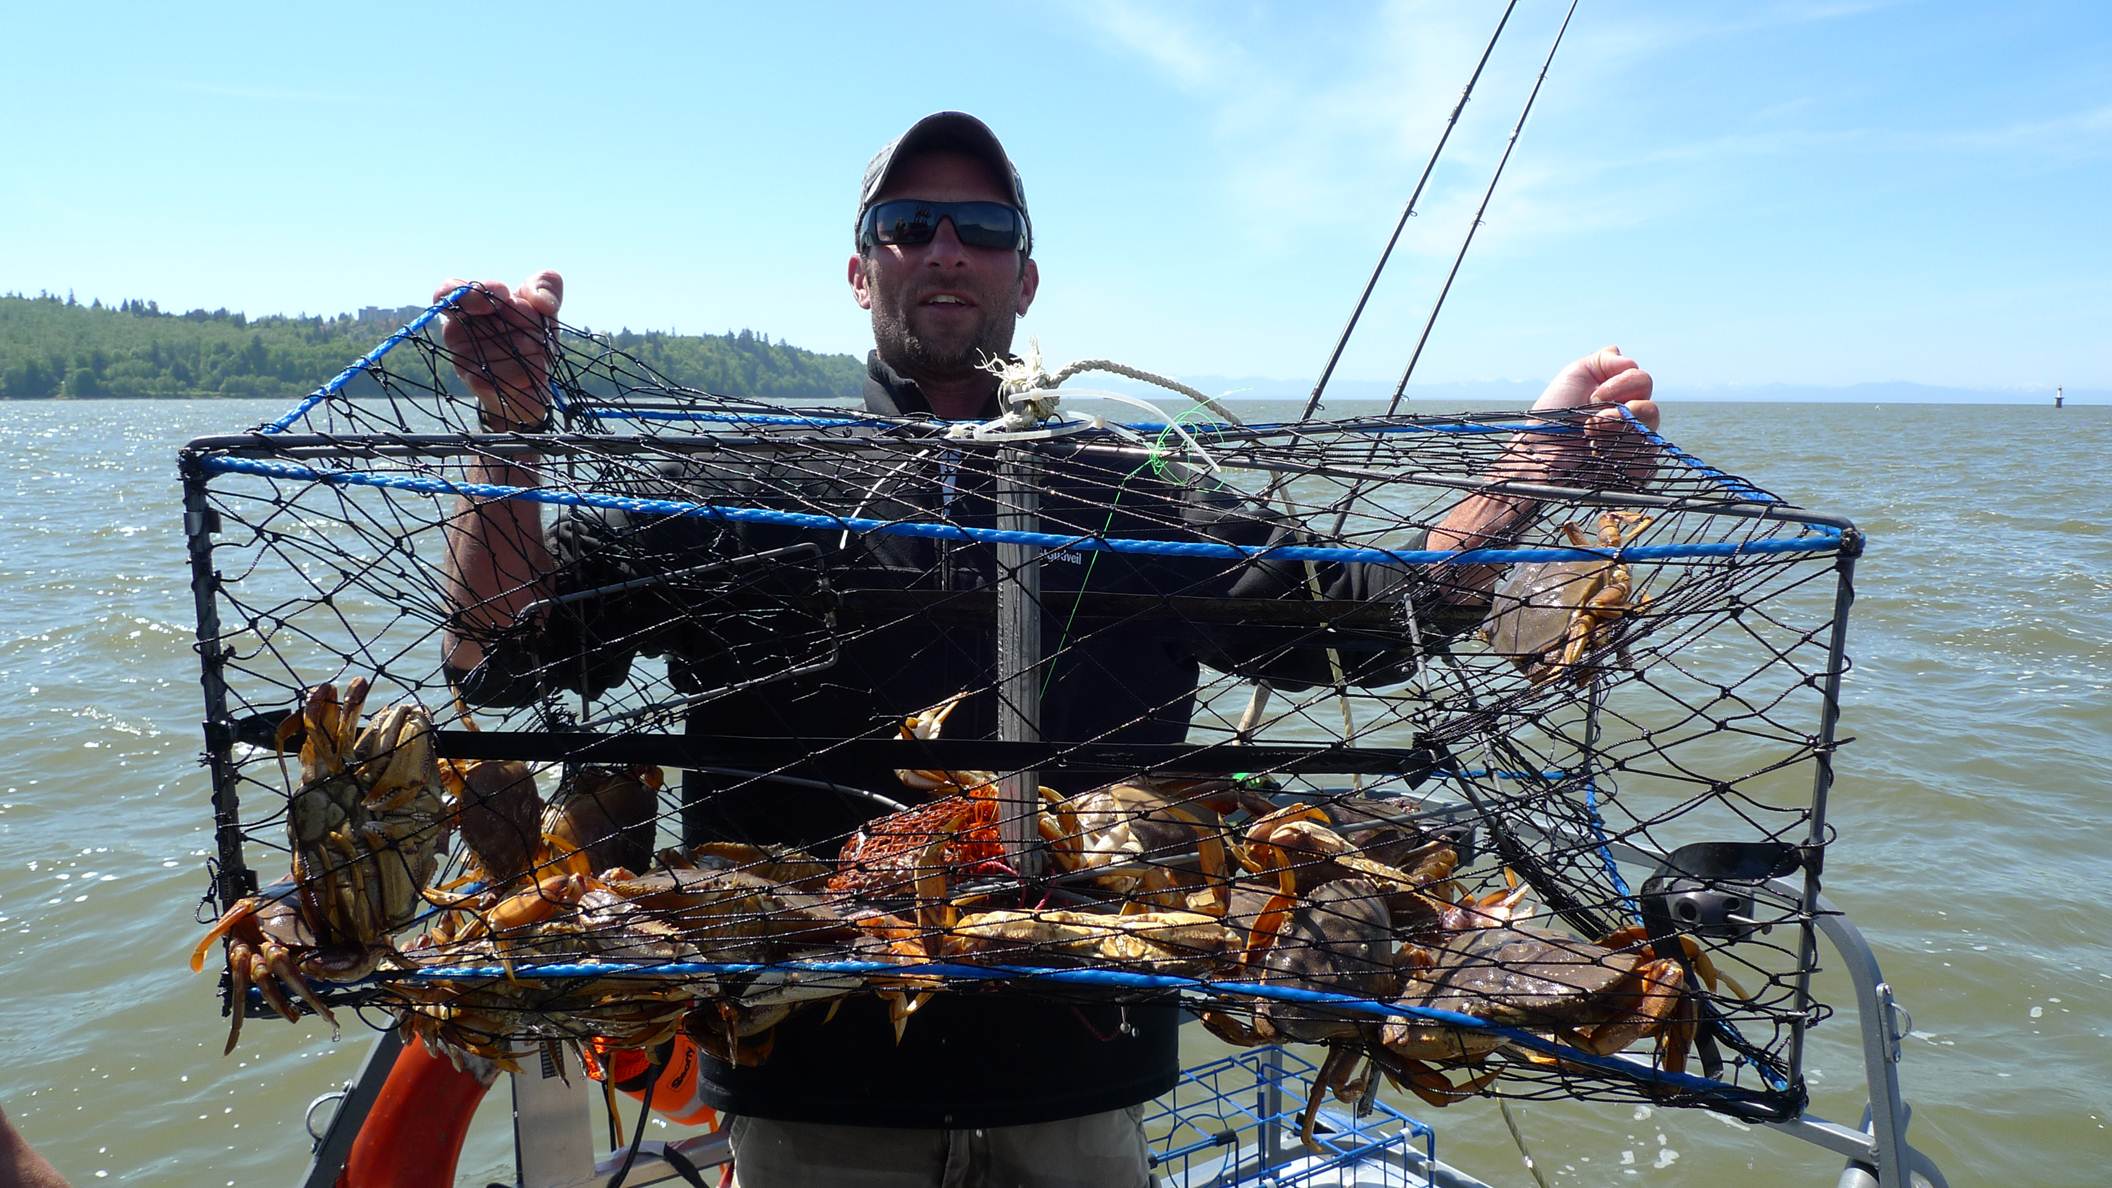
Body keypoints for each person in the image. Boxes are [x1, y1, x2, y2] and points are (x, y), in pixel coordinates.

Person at [435, 112, 1659, 1188]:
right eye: (908, 225)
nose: (944, 249)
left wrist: (1534, 466)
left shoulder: (1134, 489)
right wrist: (511, 430)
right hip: (813, 1096)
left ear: (1026, 277)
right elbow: (500, 653)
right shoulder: (751, 484)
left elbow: (1371, 627)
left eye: (982, 228)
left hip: (1080, 1093)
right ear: (859, 272)